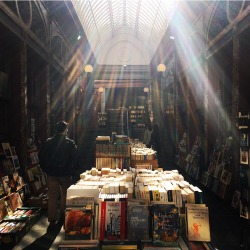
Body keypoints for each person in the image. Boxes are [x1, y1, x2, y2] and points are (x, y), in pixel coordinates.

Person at [38, 121, 78, 229]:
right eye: (67, 129)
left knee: (52, 196)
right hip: (65, 173)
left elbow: (40, 156)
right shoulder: (69, 143)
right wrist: (74, 170)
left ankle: (52, 218)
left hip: (51, 173)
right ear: (65, 130)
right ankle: (62, 216)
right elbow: (76, 157)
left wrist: (45, 168)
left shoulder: (48, 142)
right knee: (65, 195)